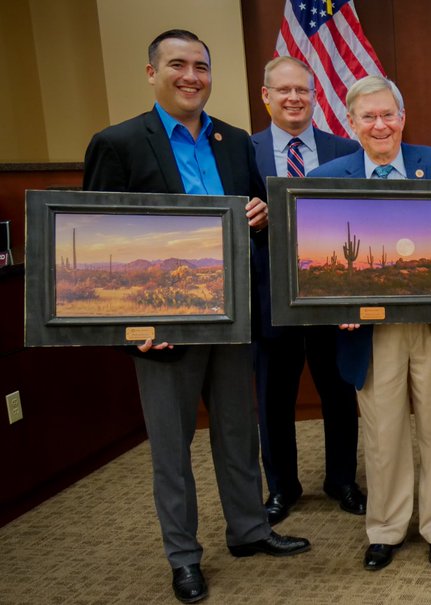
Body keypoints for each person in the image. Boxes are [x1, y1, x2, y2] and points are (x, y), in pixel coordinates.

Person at [82, 29, 310, 604]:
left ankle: (249, 530)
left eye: (201, 67)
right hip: (161, 325)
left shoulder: (233, 141)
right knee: (172, 448)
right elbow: (93, 239)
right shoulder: (118, 142)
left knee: (238, 432)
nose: (191, 76)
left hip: (231, 317)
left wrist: (260, 216)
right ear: (152, 73)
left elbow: (259, 215)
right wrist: (132, 334)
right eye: (177, 65)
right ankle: (183, 556)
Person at [308, 75, 431, 572]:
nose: (380, 125)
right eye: (368, 116)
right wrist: (333, 304)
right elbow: (313, 258)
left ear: (402, 118)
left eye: (388, 115)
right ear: (351, 122)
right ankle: (385, 528)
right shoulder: (326, 177)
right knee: (383, 432)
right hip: (368, 330)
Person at [250, 55, 364, 525]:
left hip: (330, 292)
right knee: (273, 396)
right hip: (271, 293)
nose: (294, 98)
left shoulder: (342, 148)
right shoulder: (242, 149)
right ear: (266, 97)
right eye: (284, 90)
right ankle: (281, 487)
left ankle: (341, 479)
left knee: (339, 391)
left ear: (316, 97)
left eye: (303, 91)